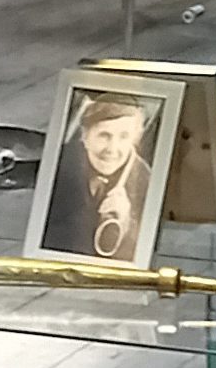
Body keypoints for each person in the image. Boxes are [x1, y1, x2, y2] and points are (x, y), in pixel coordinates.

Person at [41, 93, 155, 262]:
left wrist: (126, 221)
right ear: (85, 136)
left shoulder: (147, 182)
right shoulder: (58, 162)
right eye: (104, 135)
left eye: (124, 137)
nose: (112, 149)